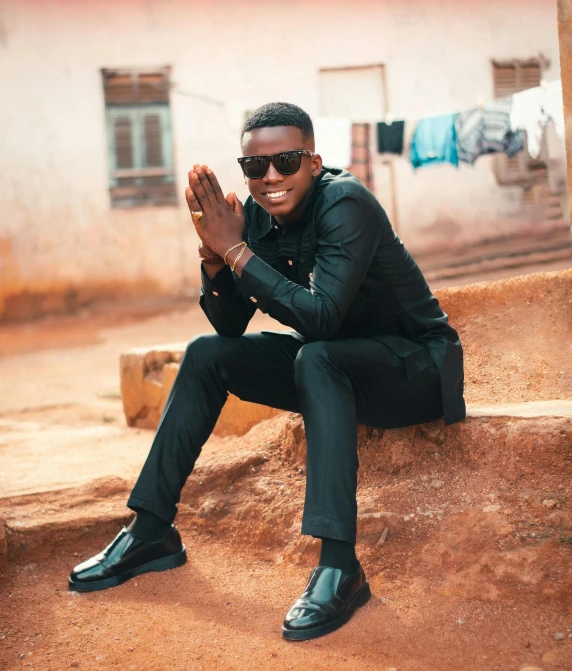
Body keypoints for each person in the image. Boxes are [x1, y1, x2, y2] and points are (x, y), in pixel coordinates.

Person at [69, 102, 465, 641]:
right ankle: (151, 531)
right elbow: (230, 325)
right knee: (208, 353)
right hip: (333, 369)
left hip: (416, 369)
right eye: (256, 167)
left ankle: (339, 566)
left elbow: (322, 319)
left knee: (316, 354)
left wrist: (236, 251)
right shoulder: (254, 217)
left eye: (286, 161)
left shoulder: (346, 203)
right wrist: (214, 258)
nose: (271, 177)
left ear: (314, 161)